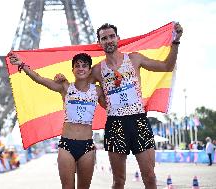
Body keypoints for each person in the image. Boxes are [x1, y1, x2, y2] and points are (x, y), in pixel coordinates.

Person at [55, 22, 183, 189]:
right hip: (115, 124)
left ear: (118, 38)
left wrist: (176, 41)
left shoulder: (134, 58)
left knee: (150, 176)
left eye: (111, 36)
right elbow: (79, 88)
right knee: (118, 181)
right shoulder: (97, 70)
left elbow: (167, 66)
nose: (108, 40)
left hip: (138, 121)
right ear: (99, 43)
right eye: (104, 38)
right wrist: (63, 81)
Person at [8, 52, 106, 189]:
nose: (81, 68)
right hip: (67, 145)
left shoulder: (97, 91)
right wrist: (22, 65)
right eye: (77, 66)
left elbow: (110, 106)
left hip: (87, 147)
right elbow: (39, 79)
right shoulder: (65, 87)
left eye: (84, 66)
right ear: (72, 70)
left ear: (90, 70)